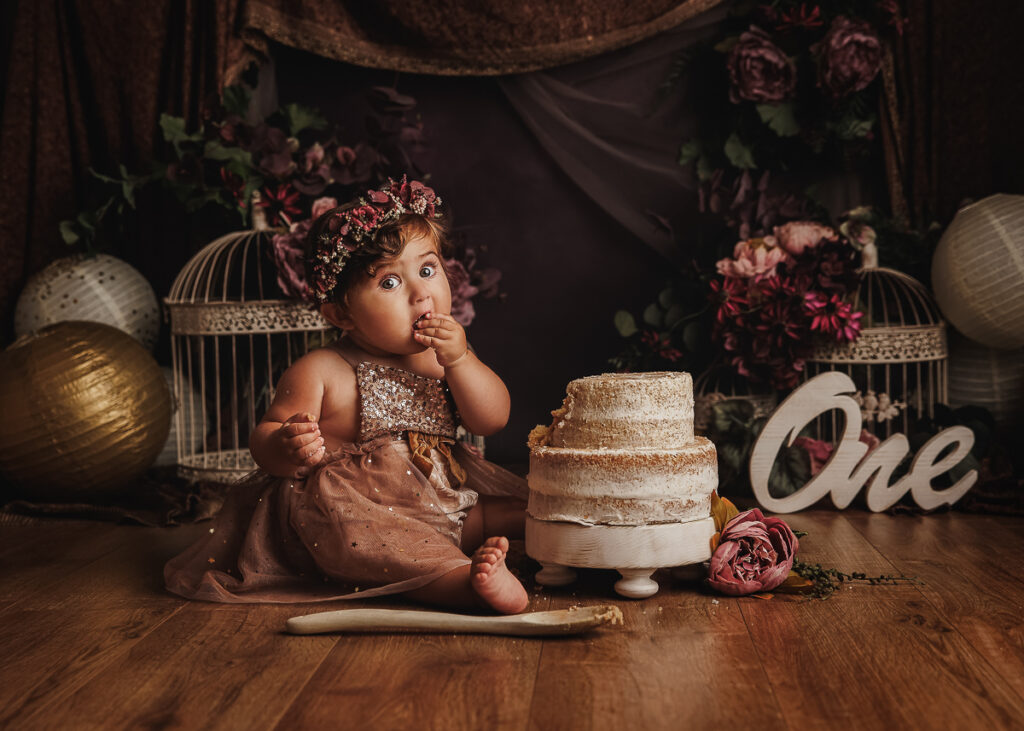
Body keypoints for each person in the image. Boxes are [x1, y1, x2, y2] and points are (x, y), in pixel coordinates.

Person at [165, 177, 530, 614]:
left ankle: (575, 546)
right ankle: (464, 584)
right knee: (378, 545)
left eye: (428, 270)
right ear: (341, 313)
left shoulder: (443, 360)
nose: (421, 293)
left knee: (524, 509)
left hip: (446, 506)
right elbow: (265, 439)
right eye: (390, 283)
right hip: (357, 519)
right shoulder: (322, 370)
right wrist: (286, 444)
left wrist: (462, 360)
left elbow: (493, 420)